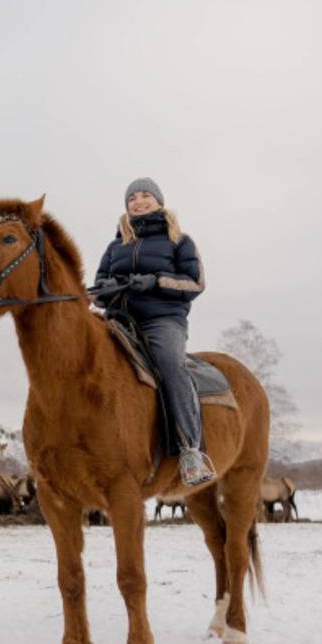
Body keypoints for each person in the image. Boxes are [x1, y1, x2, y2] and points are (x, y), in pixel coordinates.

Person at [93, 178, 213, 487]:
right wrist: (103, 292)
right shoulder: (114, 246)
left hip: (163, 321)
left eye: (146, 195)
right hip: (119, 320)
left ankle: (191, 452)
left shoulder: (179, 240)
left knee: (171, 366)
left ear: (158, 201)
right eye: (132, 197)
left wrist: (156, 281)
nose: (139, 201)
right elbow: (97, 290)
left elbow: (195, 283)